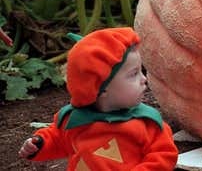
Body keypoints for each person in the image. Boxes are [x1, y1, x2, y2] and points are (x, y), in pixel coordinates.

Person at [18, 27, 178, 170]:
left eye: (141, 71)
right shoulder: (73, 121)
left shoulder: (148, 124)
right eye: (134, 74)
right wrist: (38, 145)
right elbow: (57, 139)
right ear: (101, 88)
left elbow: (163, 155)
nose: (144, 79)